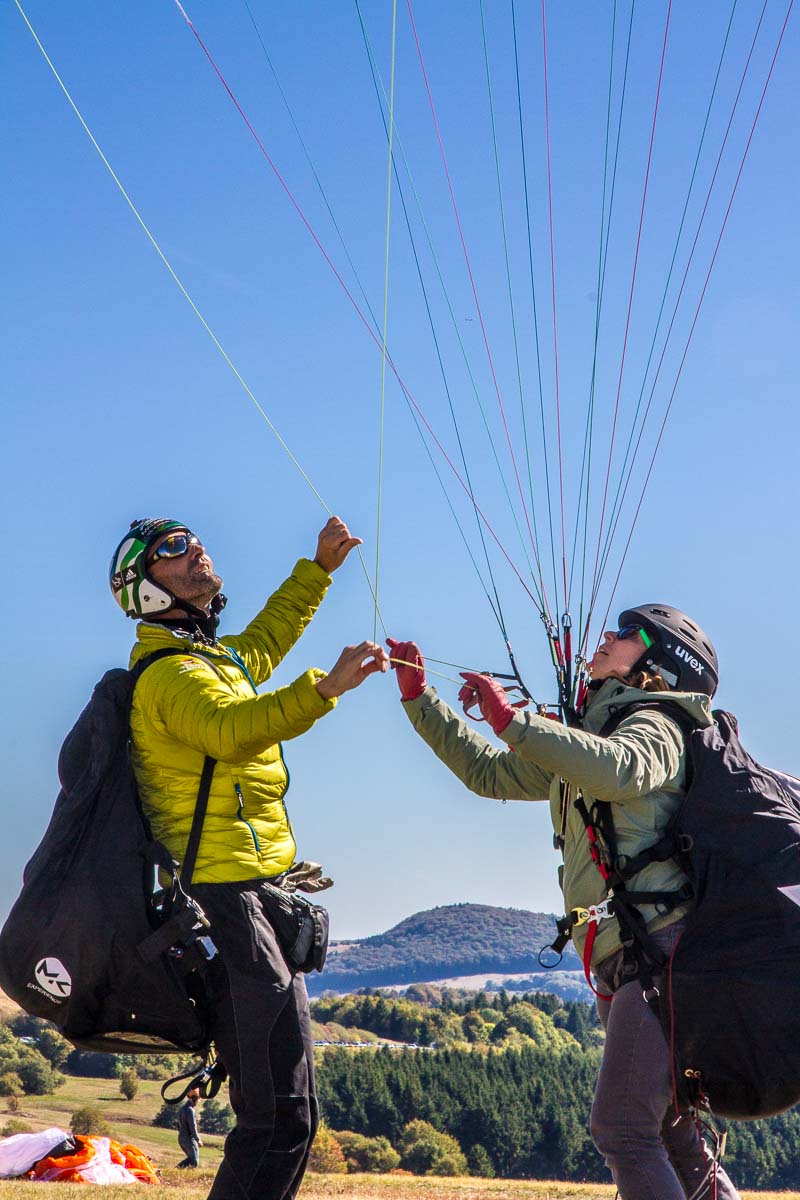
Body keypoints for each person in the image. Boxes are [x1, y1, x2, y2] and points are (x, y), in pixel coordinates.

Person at [387, 605, 741, 1200]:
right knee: (669, 1131)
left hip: (664, 954)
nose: (607, 637)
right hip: (630, 957)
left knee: (623, 1129)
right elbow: (491, 774)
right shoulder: (597, 737)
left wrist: (515, 721)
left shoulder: (660, 724)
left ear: (661, 663)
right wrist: (421, 699)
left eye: (627, 634)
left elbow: (620, 771)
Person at [109, 514, 387, 1200]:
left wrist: (317, 569)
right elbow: (231, 731)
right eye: (172, 549)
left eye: (193, 538)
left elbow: (265, 640)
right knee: (276, 1118)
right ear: (145, 589)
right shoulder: (170, 678)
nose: (195, 548)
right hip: (223, 902)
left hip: (253, 897)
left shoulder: (211, 662)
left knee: (291, 1114)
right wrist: (324, 689)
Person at [177, 1089, 203, 1169]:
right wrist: (198, 1139)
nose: (199, 1101)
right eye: (198, 1099)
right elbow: (193, 1126)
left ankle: (176, 1170)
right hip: (189, 1138)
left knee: (190, 1159)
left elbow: (178, 1125)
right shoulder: (190, 1110)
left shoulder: (182, 1109)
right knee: (194, 1162)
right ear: (194, 1098)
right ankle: (177, 1170)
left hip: (181, 1137)